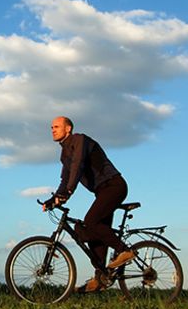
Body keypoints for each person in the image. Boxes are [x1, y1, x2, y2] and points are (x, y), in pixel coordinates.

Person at [47, 116, 135, 293]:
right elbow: (65, 178)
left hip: (114, 186)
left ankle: (125, 251)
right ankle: (100, 278)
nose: (52, 130)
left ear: (68, 128)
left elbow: (78, 166)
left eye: (56, 126)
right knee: (96, 233)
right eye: (51, 127)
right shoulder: (65, 153)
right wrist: (54, 199)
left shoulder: (80, 141)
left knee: (91, 221)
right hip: (102, 192)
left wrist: (68, 193)